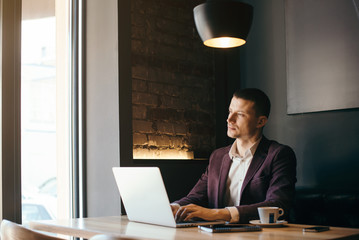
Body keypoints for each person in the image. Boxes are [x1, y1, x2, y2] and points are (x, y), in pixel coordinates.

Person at [171, 88, 297, 223]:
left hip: (260, 235)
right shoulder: (218, 156)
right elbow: (197, 196)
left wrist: (219, 213)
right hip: (219, 234)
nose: (229, 119)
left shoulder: (279, 154)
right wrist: (174, 207)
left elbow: (277, 205)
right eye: (230, 111)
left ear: (260, 122)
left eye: (240, 114)